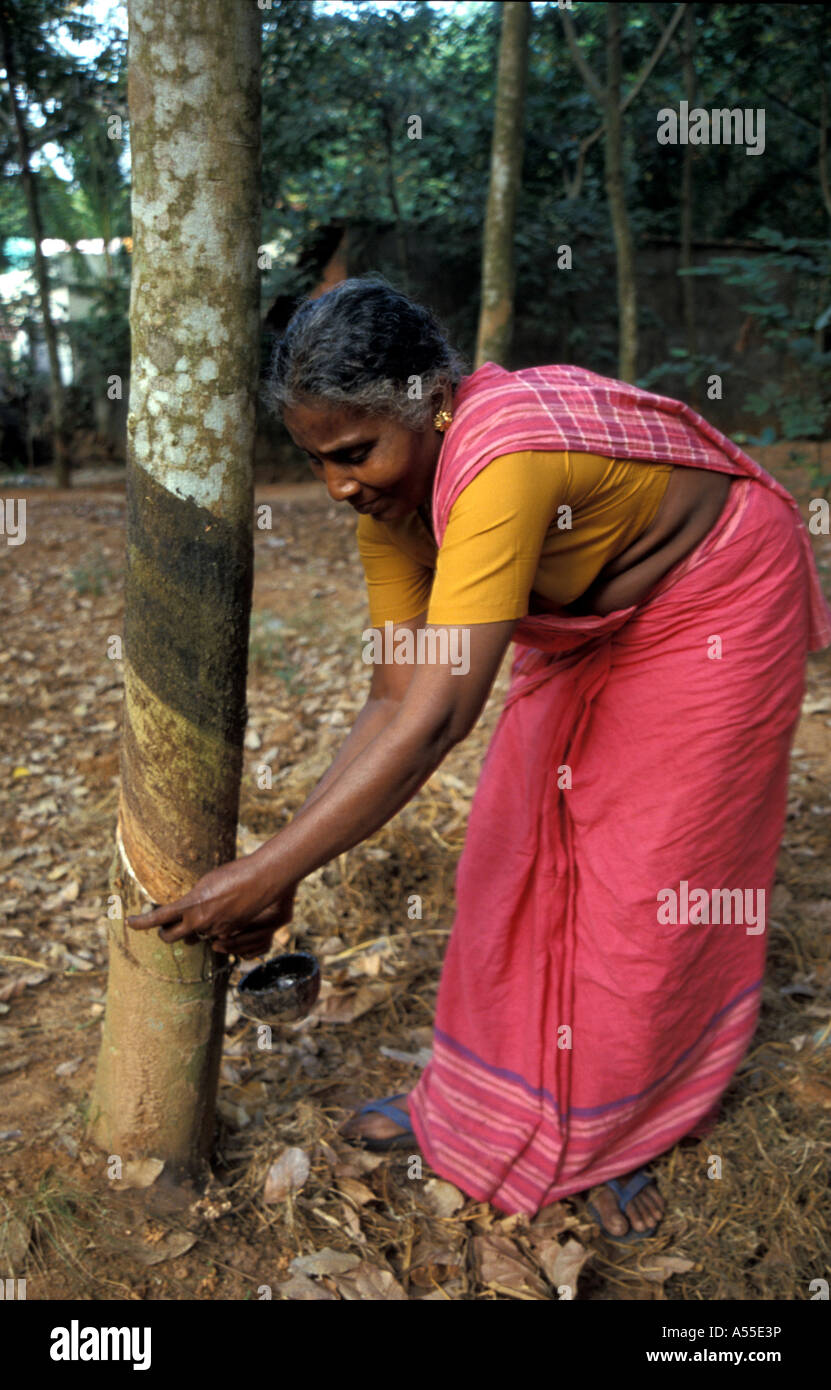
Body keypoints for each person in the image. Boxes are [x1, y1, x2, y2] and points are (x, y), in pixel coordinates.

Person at [128, 275, 831, 1240]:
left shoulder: (503, 455)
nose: (339, 486)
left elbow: (437, 719)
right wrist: (275, 870)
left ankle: (620, 1135)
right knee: (511, 844)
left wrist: (268, 871)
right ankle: (481, 1105)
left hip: (719, 596)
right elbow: (392, 695)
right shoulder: (390, 511)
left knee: (647, 877)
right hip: (594, 618)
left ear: (429, 400)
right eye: (318, 462)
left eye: (354, 453)